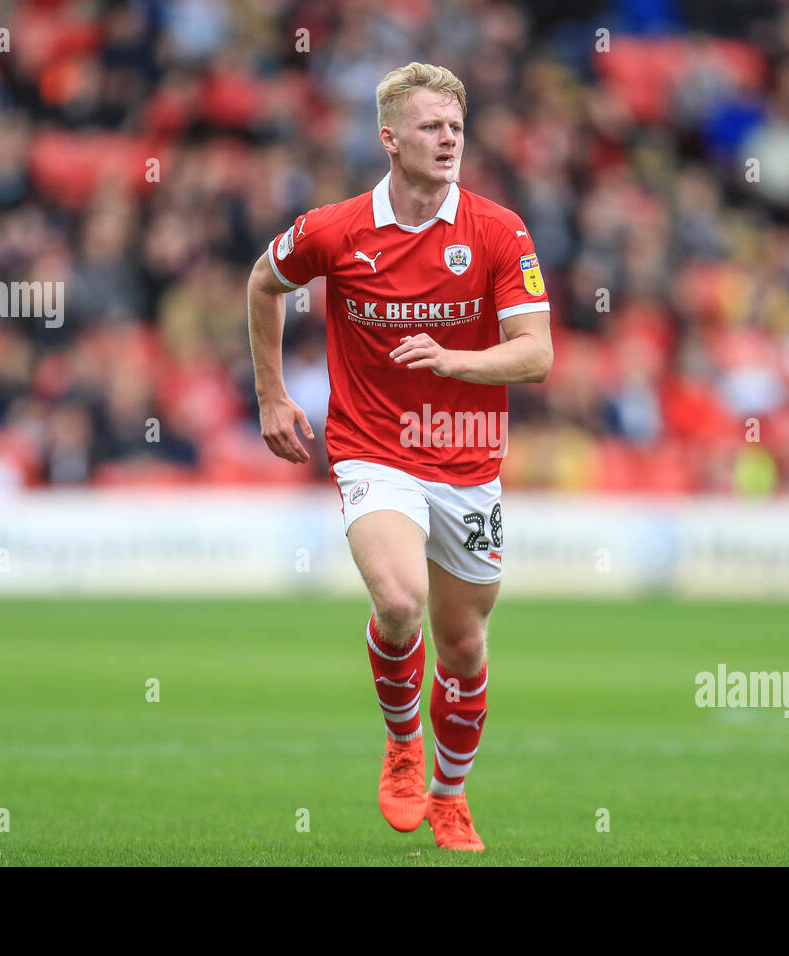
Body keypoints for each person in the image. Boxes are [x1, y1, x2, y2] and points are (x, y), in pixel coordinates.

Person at [246, 62, 552, 851]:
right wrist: (272, 395)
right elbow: (262, 281)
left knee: (464, 643)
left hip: (469, 459)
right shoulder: (337, 230)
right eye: (430, 127)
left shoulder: (499, 230)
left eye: (455, 125)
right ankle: (402, 743)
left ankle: (451, 795)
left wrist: (453, 361)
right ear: (389, 139)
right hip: (374, 447)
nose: (448, 138)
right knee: (399, 600)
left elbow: (536, 355)